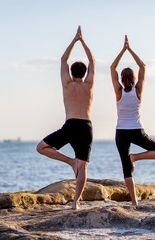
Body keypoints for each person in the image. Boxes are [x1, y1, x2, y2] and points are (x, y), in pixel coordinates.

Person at [36, 26, 95, 210]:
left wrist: (74, 40)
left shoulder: (67, 84)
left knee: (41, 147)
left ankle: (70, 162)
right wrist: (83, 41)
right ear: (84, 73)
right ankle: (76, 203)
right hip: (86, 126)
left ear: (71, 72)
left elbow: (63, 59)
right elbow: (92, 60)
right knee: (83, 167)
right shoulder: (89, 85)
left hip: (70, 126)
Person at [110, 35, 155, 206]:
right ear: (134, 78)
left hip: (121, 132)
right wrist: (130, 49)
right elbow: (142, 65)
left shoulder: (118, 91)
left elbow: (112, 67)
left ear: (121, 79)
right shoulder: (138, 90)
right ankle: (135, 157)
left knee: (126, 169)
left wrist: (122, 50)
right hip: (136, 131)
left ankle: (134, 202)